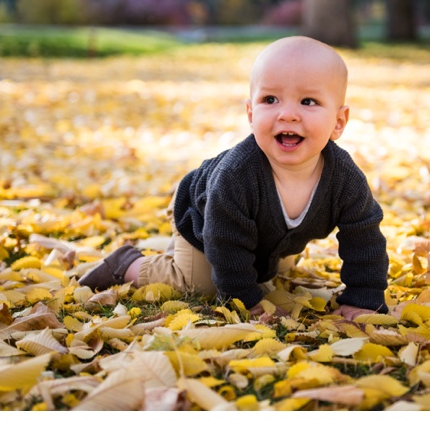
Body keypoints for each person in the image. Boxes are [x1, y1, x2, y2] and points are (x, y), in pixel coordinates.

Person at [79, 36, 389, 320]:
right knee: (201, 282)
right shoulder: (237, 176)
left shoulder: (345, 180)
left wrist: (363, 299)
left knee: (269, 271)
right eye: (270, 100)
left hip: (258, 236)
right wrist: (246, 301)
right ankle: (128, 262)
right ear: (251, 113)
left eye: (308, 102)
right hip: (202, 215)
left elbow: (364, 238)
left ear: (339, 121)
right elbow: (223, 241)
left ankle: (172, 248)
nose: (288, 114)